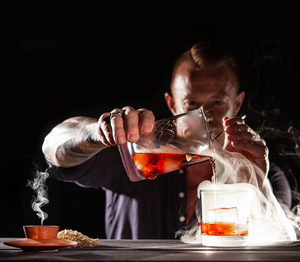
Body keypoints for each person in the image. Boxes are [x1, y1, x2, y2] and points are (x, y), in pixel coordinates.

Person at [42, 41, 292, 239]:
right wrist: (98, 132)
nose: (205, 116)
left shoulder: (266, 173)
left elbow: (282, 248)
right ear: (172, 104)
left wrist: (256, 186)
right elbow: (53, 148)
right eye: (192, 103)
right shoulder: (136, 152)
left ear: (236, 103)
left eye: (217, 103)